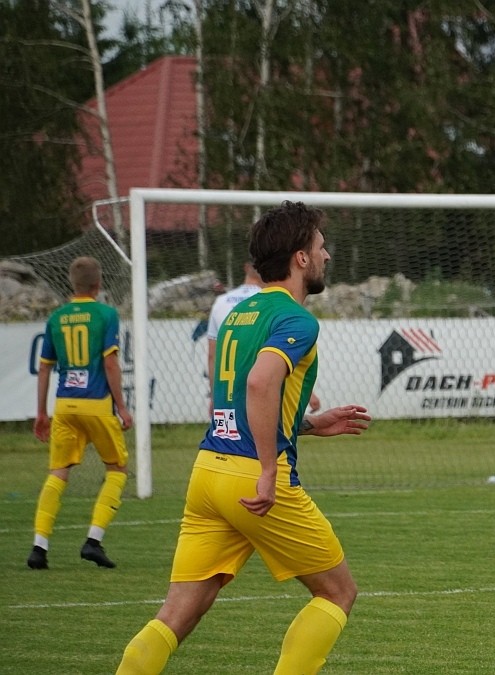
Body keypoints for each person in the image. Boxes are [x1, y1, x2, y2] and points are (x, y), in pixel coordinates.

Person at [116, 202, 372, 674]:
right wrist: (271, 468)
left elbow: (237, 396)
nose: (327, 256)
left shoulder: (240, 313)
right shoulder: (297, 320)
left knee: (175, 615)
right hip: (253, 477)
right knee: (338, 592)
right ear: (300, 258)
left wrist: (311, 424)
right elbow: (259, 383)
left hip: (209, 471)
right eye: (320, 246)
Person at [27, 256, 133, 570]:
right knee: (117, 470)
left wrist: (41, 412)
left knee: (58, 473)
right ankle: (93, 541)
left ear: (72, 285)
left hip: (64, 405)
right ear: (98, 285)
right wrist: (122, 408)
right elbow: (111, 363)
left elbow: (44, 368)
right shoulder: (105, 314)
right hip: (96, 404)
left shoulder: (57, 317)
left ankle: (39, 547)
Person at [207, 261, 320, 414]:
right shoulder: (270, 303)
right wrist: (308, 394)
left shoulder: (222, 302)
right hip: (264, 391)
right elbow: (281, 357)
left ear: (246, 267)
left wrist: (216, 398)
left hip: (229, 395)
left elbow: (213, 356)